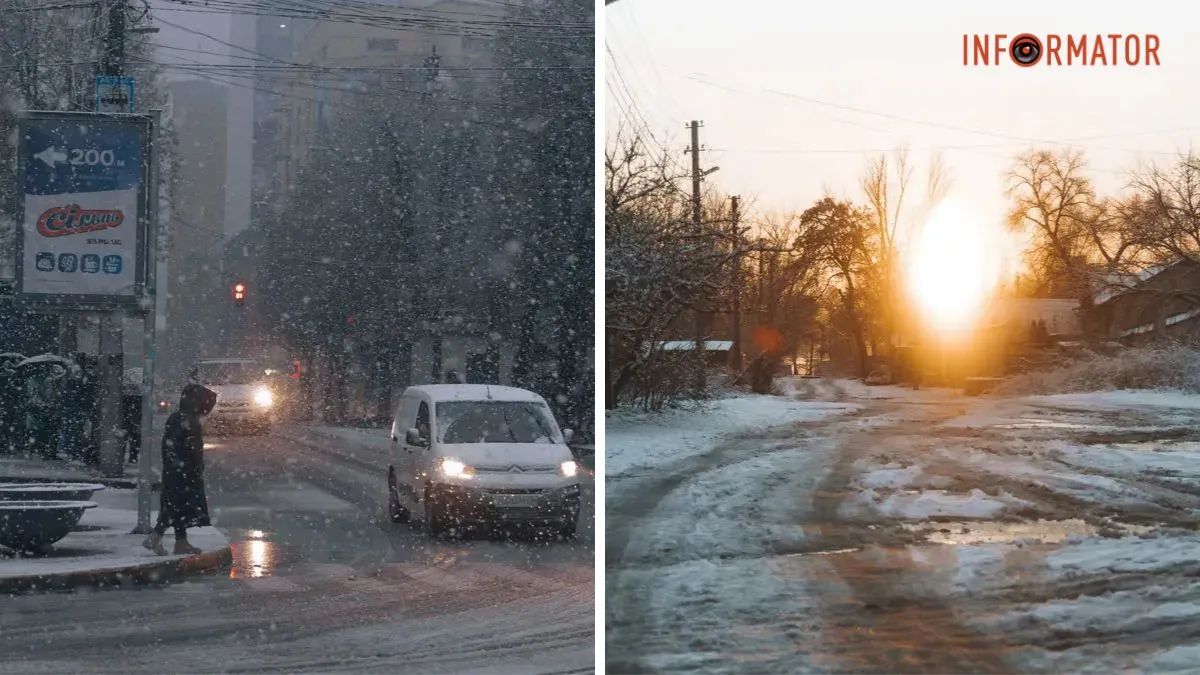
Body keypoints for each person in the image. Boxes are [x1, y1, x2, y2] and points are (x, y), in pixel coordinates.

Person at [143, 383, 217, 556]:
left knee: (176, 506)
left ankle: (180, 542)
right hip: (184, 472)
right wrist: (193, 468)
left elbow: (172, 446)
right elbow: (191, 450)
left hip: (175, 471)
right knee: (177, 506)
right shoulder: (189, 421)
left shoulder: (178, 417)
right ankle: (156, 537)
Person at [121, 369, 143, 463]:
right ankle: (132, 457)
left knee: (130, 439)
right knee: (134, 439)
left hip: (129, 419)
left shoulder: (125, 395)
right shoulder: (139, 396)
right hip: (133, 419)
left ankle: (131, 457)